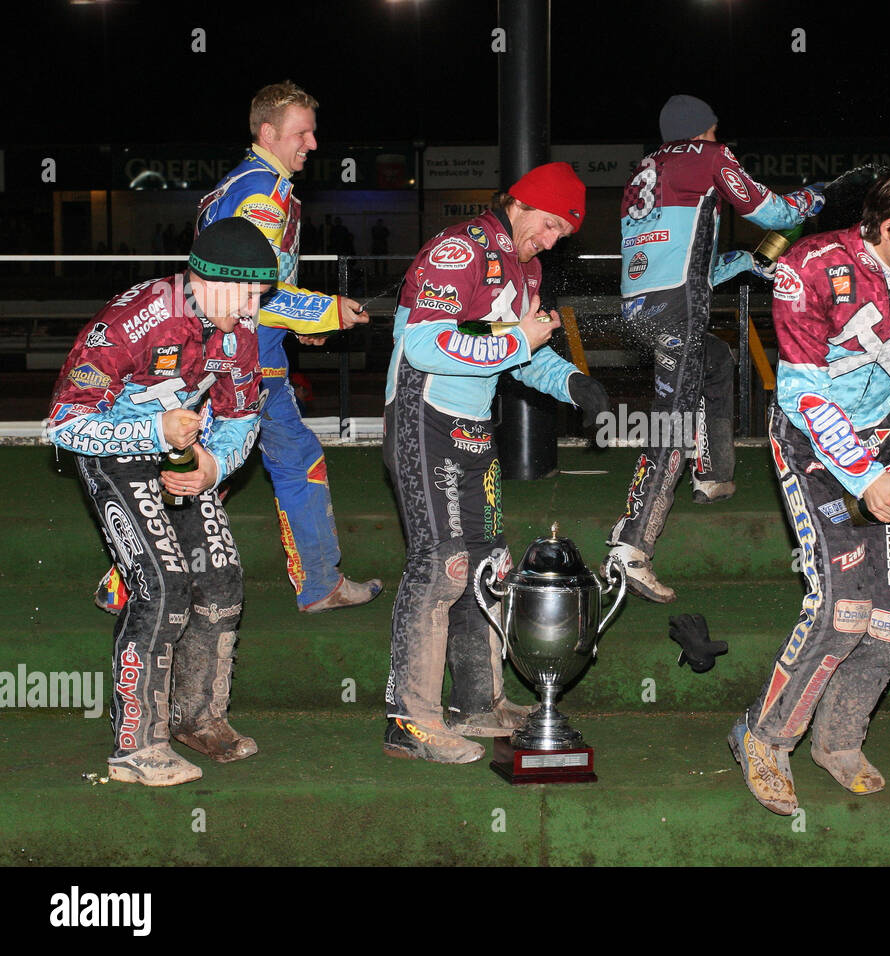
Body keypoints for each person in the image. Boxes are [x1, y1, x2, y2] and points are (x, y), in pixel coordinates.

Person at [728, 168, 890, 815]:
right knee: (842, 609)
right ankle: (763, 738)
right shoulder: (808, 266)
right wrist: (867, 479)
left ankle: (838, 741)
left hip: (884, 439)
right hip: (811, 440)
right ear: (889, 229)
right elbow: (804, 393)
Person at [98, 81, 381, 615]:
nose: (313, 144)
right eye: (303, 133)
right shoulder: (261, 194)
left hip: (230, 348)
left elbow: (251, 289)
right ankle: (318, 582)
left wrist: (298, 324)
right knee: (265, 464)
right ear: (268, 132)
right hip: (246, 356)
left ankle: (127, 581)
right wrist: (325, 311)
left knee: (218, 468)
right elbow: (244, 286)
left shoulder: (248, 180)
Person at [382, 162, 610, 763]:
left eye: (563, 231)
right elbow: (425, 343)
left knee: (487, 566)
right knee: (440, 567)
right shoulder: (460, 251)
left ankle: (478, 703)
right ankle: (410, 721)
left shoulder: (523, 266)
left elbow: (514, 352)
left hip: (474, 425)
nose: (553, 239)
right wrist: (520, 341)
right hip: (423, 416)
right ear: (524, 201)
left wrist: (573, 383)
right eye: (551, 223)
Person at [48, 218, 276, 785]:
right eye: (246, 295)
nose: (251, 310)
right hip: (115, 453)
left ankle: (196, 718)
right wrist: (153, 432)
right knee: (164, 585)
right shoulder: (139, 317)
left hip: (181, 457)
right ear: (207, 279)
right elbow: (63, 423)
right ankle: (135, 745)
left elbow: (243, 415)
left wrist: (213, 465)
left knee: (221, 580)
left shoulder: (237, 331)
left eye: (259, 298)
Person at [605, 94, 825, 603]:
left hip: (642, 309)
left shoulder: (648, 170)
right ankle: (631, 548)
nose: (718, 136)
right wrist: (806, 203)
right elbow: (768, 208)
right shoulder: (708, 156)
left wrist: (746, 262)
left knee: (718, 360)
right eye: (714, 129)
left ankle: (713, 473)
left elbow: (682, 256)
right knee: (673, 422)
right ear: (703, 130)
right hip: (677, 312)